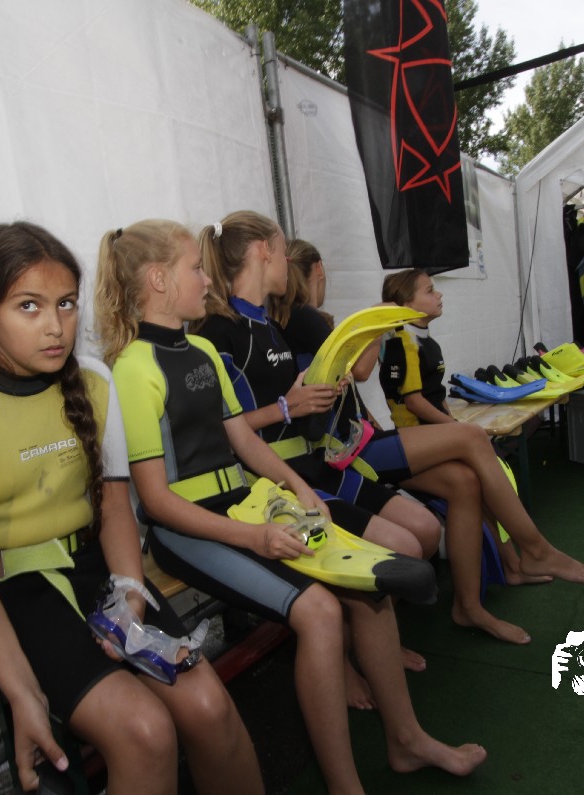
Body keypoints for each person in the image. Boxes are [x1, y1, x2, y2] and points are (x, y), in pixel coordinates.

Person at [95, 218, 487, 793]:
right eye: (194, 269)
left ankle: (407, 740)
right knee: (320, 612)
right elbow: (155, 500)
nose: (207, 279)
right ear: (158, 280)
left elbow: (244, 441)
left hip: (246, 501)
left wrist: (298, 489)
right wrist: (255, 536)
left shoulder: (201, 350)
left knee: (368, 579)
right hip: (187, 527)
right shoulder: (132, 369)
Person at [0, 222, 261, 795]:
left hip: (99, 571)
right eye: (29, 306)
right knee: (145, 731)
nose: (55, 325)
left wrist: (130, 594)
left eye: (66, 303)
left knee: (209, 709)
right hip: (9, 592)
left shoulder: (94, 380)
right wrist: (23, 694)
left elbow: (115, 507)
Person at [275, 246, 584, 646]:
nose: (438, 295)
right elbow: (362, 372)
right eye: (429, 290)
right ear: (319, 269)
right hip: (349, 454)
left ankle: (469, 606)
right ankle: (534, 549)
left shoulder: (293, 321)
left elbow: (342, 391)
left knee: (464, 482)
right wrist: (375, 321)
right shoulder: (304, 318)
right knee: (472, 437)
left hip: (354, 442)